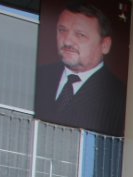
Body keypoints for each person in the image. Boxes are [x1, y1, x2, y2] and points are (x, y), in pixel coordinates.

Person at [33, 2, 126, 136]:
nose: (67, 41)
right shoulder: (39, 76)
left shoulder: (120, 97)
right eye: (62, 30)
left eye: (80, 35)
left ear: (105, 45)